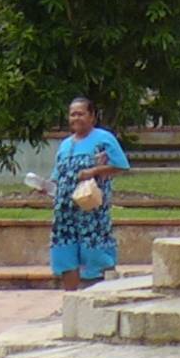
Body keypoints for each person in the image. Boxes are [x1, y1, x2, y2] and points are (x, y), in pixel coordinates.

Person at [46, 97, 130, 290]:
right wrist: (45, 186)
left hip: (91, 211)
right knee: (65, 254)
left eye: (81, 114)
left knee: (95, 253)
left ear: (92, 116)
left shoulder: (103, 138)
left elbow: (121, 165)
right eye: (72, 114)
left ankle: (96, 295)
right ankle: (70, 298)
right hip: (65, 212)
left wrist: (94, 171)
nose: (76, 118)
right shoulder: (65, 145)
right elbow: (57, 176)